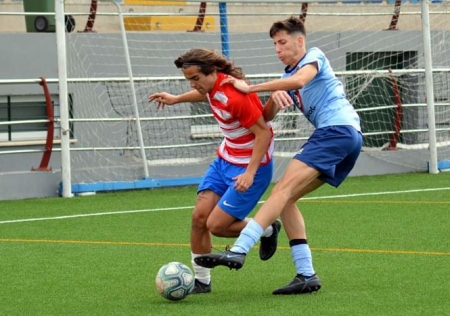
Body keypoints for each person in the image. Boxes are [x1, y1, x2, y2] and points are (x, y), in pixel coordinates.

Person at [194, 17, 363, 295]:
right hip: (344, 137)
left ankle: (239, 250)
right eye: (274, 44)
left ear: (299, 40)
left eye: (282, 42)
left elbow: (300, 80)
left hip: (337, 130)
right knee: (287, 198)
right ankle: (306, 274)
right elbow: (265, 117)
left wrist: (252, 88)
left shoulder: (313, 56)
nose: (277, 48)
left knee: (282, 190)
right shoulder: (286, 78)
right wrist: (273, 98)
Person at [148, 48, 282, 294]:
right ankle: (201, 281)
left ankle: (267, 228)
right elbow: (207, 95)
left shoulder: (235, 95)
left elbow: (263, 132)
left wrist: (250, 173)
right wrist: (176, 98)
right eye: (189, 79)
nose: (193, 83)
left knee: (217, 226)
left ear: (212, 72)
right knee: (199, 217)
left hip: (251, 167)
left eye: (196, 78)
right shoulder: (212, 87)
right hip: (224, 160)